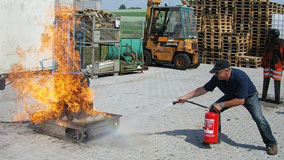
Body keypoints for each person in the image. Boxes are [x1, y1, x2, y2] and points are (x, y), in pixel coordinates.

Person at [176, 59, 278, 155]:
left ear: (227, 71)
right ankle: (215, 137)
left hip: (248, 97)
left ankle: (271, 143)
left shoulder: (240, 77)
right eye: (215, 72)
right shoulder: (217, 78)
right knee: (213, 108)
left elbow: (240, 100)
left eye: (217, 72)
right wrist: (185, 97)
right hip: (231, 95)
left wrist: (222, 104)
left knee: (259, 119)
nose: (215, 75)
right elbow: (203, 89)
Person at [261, 29, 284, 104]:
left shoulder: (281, 43)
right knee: (267, 80)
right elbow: (264, 53)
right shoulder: (269, 42)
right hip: (269, 64)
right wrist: (263, 62)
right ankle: (264, 97)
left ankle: (276, 99)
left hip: (277, 65)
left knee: (276, 81)